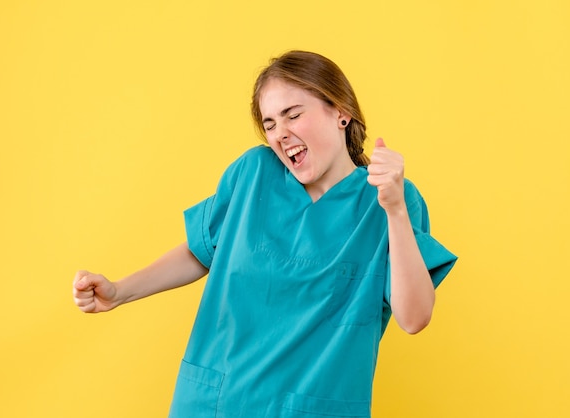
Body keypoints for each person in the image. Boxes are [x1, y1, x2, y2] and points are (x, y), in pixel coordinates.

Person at [73, 50, 457, 418]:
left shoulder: (391, 199)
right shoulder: (253, 173)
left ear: (341, 111)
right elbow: (201, 251)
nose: (280, 134)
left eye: (293, 115)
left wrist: (394, 209)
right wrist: (120, 291)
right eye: (270, 123)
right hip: (216, 403)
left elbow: (414, 317)